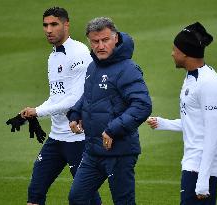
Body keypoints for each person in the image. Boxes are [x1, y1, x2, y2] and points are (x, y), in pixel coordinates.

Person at [20, 7, 101, 205]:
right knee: (35, 192)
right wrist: (35, 111)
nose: (48, 29)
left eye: (54, 24)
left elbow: (75, 99)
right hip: (56, 139)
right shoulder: (53, 56)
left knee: (86, 198)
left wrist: (38, 111)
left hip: (78, 139)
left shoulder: (79, 53)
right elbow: (56, 97)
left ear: (66, 25)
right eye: (45, 25)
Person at [67, 17, 152, 205]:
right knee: (77, 197)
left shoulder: (127, 69)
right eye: (95, 41)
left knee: (123, 202)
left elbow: (142, 105)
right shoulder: (93, 66)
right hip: (93, 150)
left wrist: (113, 129)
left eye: (105, 40)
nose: (100, 46)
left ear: (116, 38)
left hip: (120, 152)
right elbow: (90, 97)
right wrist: (75, 113)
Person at [147, 22, 217, 205]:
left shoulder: (207, 83)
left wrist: (203, 180)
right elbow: (194, 122)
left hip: (201, 165)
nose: (172, 53)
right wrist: (163, 123)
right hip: (194, 160)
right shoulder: (192, 77)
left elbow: (214, 133)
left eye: (175, 49)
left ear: (185, 52)